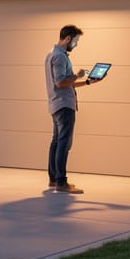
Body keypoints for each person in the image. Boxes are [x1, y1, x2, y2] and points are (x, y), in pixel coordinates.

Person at [44, 24, 100, 194]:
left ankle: (54, 179)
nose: (76, 44)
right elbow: (61, 82)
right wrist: (77, 75)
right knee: (63, 144)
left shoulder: (51, 54)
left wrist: (87, 82)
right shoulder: (60, 57)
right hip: (64, 106)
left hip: (56, 104)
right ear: (68, 39)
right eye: (75, 41)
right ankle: (61, 182)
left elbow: (66, 84)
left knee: (56, 142)